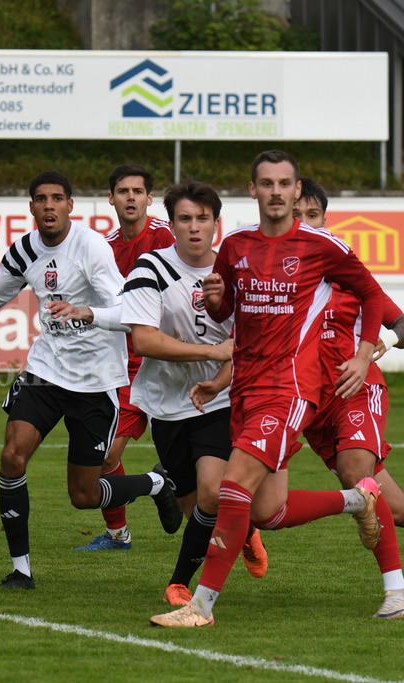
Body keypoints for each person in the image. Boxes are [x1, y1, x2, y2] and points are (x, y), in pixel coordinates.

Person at [0, 171, 183, 590]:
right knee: (12, 456)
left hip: (95, 380)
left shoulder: (91, 247)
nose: (49, 206)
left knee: (84, 495)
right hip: (45, 372)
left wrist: (87, 312)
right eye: (41, 199)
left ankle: (156, 484)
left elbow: (129, 313)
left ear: (70, 206)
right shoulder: (25, 249)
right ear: (31, 207)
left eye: (57, 198)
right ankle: (21, 570)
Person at [151, 150, 386, 628]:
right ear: (252, 189)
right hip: (246, 389)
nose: (275, 192)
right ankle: (356, 500)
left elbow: (370, 293)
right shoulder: (236, 246)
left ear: (296, 191)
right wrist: (215, 303)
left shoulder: (321, 245)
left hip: (290, 388)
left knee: (233, 484)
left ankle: (201, 606)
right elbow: (227, 314)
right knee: (266, 511)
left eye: (284, 184)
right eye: (266, 183)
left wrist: (364, 355)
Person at [120, 180, 261, 606]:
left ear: (217, 224)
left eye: (203, 218)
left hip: (221, 401)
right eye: (185, 219)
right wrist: (211, 351)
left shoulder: (239, 274)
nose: (194, 227)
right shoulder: (150, 268)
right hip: (167, 403)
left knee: (212, 493)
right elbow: (144, 340)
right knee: (195, 509)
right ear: (172, 224)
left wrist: (221, 373)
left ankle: (179, 583)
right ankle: (246, 529)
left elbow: (246, 343)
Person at [292, 177, 404, 618]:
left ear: (326, 219)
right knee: (394, 508)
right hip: (307, 404)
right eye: (297, 216)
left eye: (313, 215)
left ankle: (396, 593)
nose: (305, 224)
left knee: (358, 475)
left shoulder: (345, 269)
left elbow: (399, 322)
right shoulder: (276, 276)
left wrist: (379, 345)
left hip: (356, 391)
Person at [79, 164, 175, 551]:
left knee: (201, 458)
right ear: (111, 198)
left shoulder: (168, 238)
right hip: (127, 368)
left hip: (174, 364)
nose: (130, 197)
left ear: (150, 198)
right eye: (123, 191)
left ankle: (238, 531)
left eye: (137, 191)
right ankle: (120, 533)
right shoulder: (104, 249)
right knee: (105, 456)